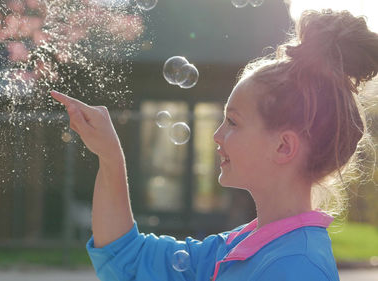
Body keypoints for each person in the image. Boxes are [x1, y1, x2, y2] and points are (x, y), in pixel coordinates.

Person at [50, 9, 378, 281]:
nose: (217, 135)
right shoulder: (237, 246)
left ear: (283, 147)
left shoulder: (297, 268)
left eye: (233, 122)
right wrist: (109, 155)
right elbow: (126, 258)